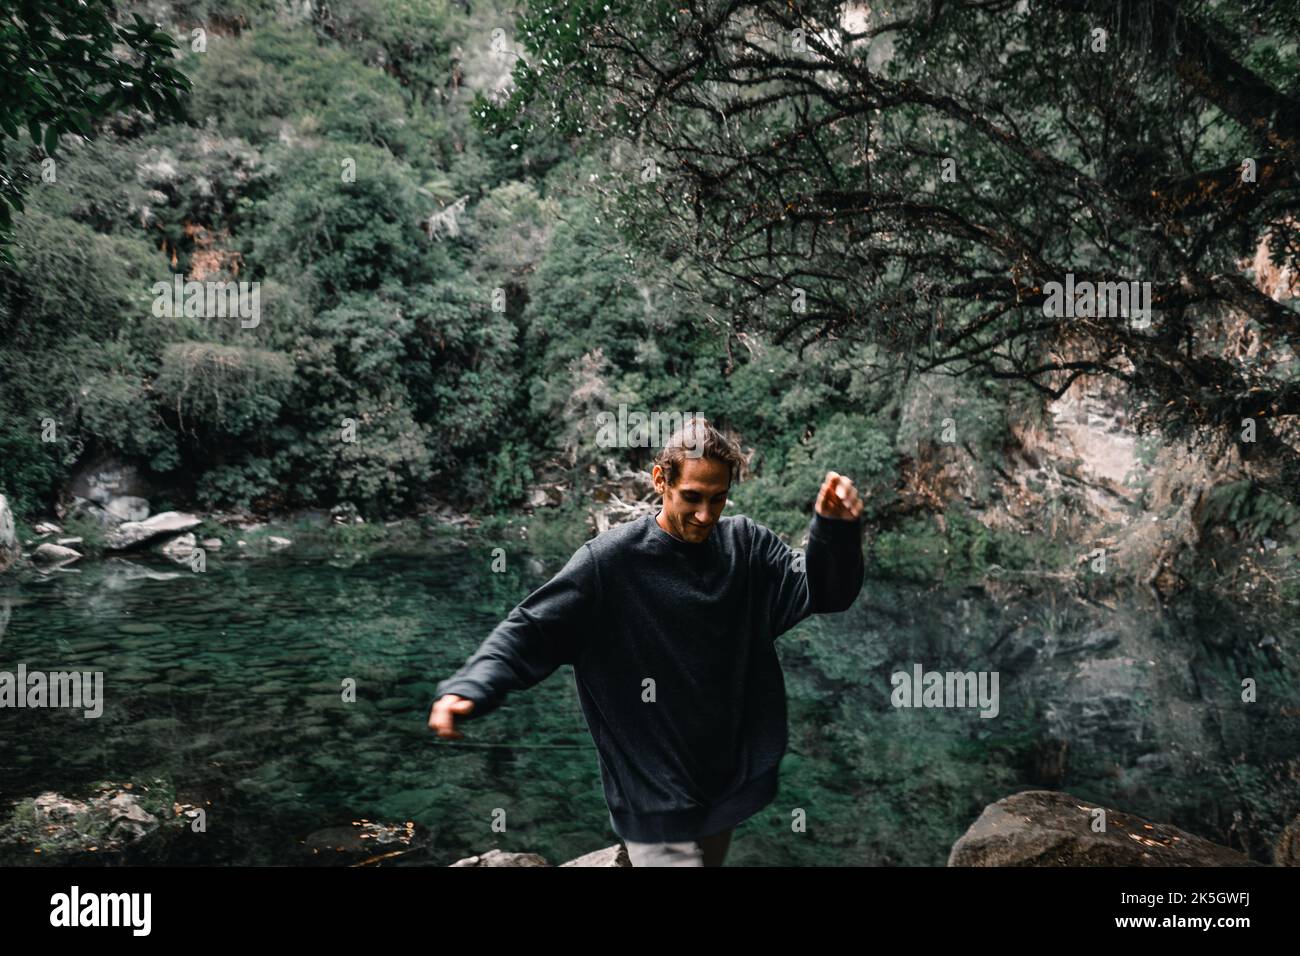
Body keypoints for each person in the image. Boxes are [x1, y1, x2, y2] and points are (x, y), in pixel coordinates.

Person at [429, 418, 866, 866]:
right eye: (692, 498)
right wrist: (471, 687)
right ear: (660, 480)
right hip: (651, 795)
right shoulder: (608, 564)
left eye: (718, 499)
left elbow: (826, 591)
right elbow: (530, 629)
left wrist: (833, 530)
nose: (705, 515)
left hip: (722, 785)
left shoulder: (746, 546)